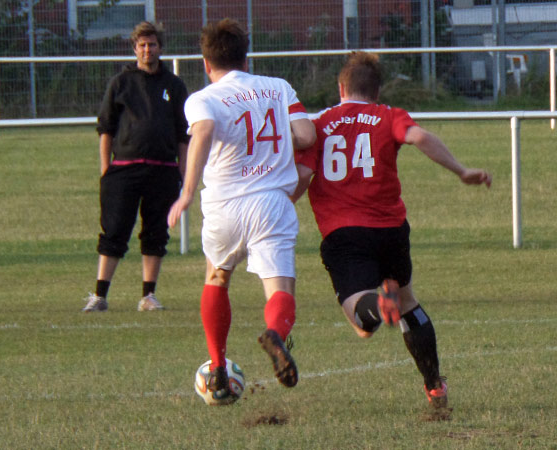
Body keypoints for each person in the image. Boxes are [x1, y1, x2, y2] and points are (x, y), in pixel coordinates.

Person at [291, 51, 492, 416]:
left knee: (360, 318)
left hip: (344, 233)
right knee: (408, 302)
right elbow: (420, 136)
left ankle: (380, 303)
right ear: (377, 91)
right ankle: (434, 385)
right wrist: (461, 170)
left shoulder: (318, 125)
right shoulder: (388, 116)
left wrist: (276, 205)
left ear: (341, 88)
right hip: (391, 231)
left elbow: (303, 176)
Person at [167, 18, 316, 399]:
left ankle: (217, 365)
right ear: (246, 58)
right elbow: (306, 135)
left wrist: (186, 192)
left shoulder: (202, 99)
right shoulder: (278, 88)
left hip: (224, 204)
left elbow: (202, 132)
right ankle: (275, 334)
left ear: (206, 63)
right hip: (271, 203)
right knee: (279, 288)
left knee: (217, 277)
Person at [82, 21, 189, 312]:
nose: (147, 50)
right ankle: (99, 295)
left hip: (163, 170)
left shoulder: (174, 86)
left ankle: (148, 296)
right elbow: (106, 129)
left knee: (156, 233)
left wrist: (182, 172)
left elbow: (184, 133)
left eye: (152, 44)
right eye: (142, 45)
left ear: (160, 47)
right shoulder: (121, 83)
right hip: (124, 170)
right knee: (114, 230)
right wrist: (106, 170)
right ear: (134, 48)